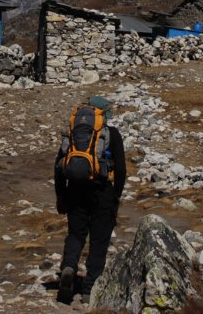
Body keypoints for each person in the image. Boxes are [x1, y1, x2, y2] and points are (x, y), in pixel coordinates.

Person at [54, 95, 126, 304]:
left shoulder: (72, 134)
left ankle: (69, 266)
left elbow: (59, 167)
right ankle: (89, 288)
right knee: (99, 240)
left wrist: (61, 196)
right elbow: (121, 170)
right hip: (102, 192)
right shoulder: (112, 134)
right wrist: (116, 196)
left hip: (75, 191)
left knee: (76, 234)